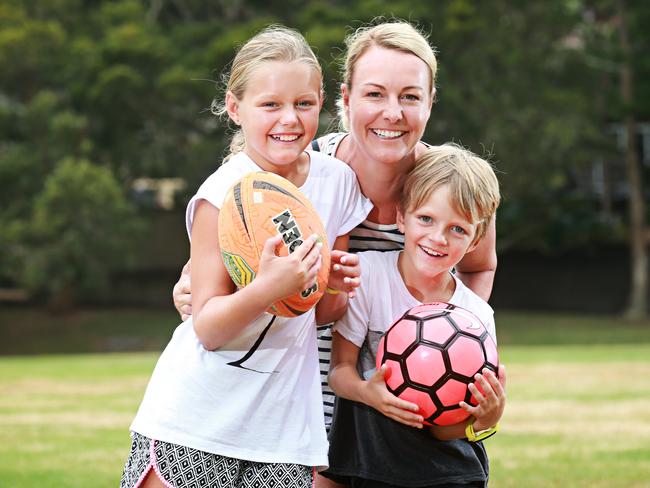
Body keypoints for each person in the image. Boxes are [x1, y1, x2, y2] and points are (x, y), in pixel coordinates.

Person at [171, 21, 499, 488]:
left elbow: (480, 264)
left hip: (410, 418)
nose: (392, 112)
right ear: (344, 99)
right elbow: (223, 250)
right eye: (374, 94)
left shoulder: (451, 187)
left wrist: (449, 330)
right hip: (308, 408)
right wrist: (189, 287)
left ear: (430, 102)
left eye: (410, 96)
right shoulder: (299, 168)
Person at [120, 25, 371, 488]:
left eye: (304, 104)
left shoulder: (337, 183)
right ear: (235, 108)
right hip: (196, 419)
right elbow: (209, 328)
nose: (289, 119)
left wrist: (332, 283)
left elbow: (322, 314)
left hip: (282, 430)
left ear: (322, 103)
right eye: (270, 104)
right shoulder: (221, 195)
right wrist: (267, 289)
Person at [325, 144, 507, 488]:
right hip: (371, 465)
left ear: (474, 240)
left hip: (447, 474)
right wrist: (368, 392)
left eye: (458, 229)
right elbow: (339, 372)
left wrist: (486, 419)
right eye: (426, 219)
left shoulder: (476, 315)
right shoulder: (368, 276)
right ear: (401, 217)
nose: (438, 238)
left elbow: (445, 431)